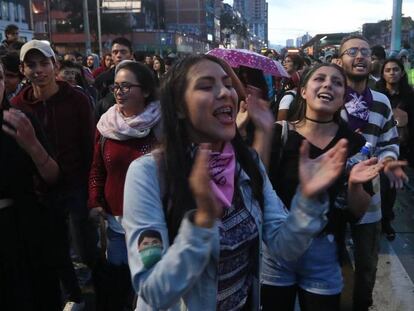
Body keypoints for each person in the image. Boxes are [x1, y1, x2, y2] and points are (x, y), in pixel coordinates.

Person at [122, 54, 350, 310]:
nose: (225, 93)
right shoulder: (148, 174)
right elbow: (153, 292)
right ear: (178, 107)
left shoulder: (246, 162)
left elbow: (284, 247)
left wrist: (307, 201)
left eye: (228, 84)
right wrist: (202, 223)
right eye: (206, 86)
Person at [262, 63, 382, 311]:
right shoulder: (279, 133)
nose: (328, 84)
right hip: (276, 252)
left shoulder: (355, 143)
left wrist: (355, 185)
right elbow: (258, 185)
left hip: (325, 253)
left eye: (337, 83)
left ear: (342, 100)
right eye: (320, 79)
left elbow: (358, 211)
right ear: (303, 91)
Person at [12, 39, 96, 309]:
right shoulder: (17, 106)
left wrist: (92, 189)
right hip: (39, 190)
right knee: (55, 249)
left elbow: (89, 145)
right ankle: (75, 296)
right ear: (23, 69)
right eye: (31, 64)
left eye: (43, 63)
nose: (38, 70)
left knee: (84, 247)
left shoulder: (77, 100)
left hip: (75, 185)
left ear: (55, 65)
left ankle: (96, 291)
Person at [338, 35, 407, 311]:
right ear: (339, 59)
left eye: (364, 52)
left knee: (367, 264)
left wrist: (389, 161)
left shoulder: (381, 101)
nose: (359, 56)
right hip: (332, 195)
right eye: (351, 51)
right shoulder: (329, 94)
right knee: (335, 261)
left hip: (370, 197)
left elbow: (389, 141)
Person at [88, 60, 160, 310]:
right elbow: (97, 169)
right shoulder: (106, 126)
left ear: (147, 91)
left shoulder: (162, 125)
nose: (119, 92)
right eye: (116, 87)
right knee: (120, 284)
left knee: (149, 287)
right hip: (115, 223)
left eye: (127, 86)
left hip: (152, 226)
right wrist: (95, 202)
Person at [0, 61, 61, 310]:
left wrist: (32, 145)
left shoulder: (19, 121)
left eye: (0, 77)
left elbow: (53, 176)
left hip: (20, 232)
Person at [375, 58, 414, 240]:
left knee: (391, 185)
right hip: (380, 146)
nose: (392, 73)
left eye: (395, 69)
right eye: (388, 70)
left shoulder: (410, 95)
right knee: (377, 185)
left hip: (402, 146)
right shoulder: (376, 94)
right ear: (382, 73)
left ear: (402, 72)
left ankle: (386, 220)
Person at [94, 38, 133, 121]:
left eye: (123, 52)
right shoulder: (102, 79)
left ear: (131, 55)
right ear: (111, 55)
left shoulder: (143, 76)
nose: (119, 55)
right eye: (115, 52)